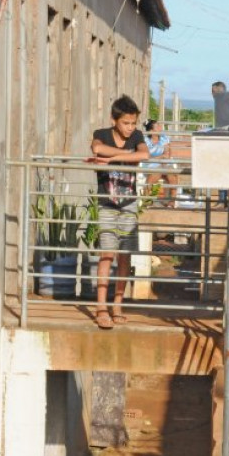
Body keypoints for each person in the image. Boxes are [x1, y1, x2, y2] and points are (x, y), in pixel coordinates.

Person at [89, 95, 149, 329]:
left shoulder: (136, 137)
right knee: (107, 254)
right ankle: (101, 307)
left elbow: (144, 154)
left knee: (125, 255)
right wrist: (126, 157)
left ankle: (117, 305)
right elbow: (97, 148)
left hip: (129, 204)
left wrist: (111, 158)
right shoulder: (101, 133)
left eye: (133, 123)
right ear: (114, 120)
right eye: (126, 123)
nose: (130, 128)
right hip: (107, 203)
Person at [142, 119, 177, 207]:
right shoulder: (145, 140)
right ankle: (146, 200)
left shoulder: (164, 137)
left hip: (165, 163)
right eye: (157, 126)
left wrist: (165, 159)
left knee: (172, 176)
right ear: (151, 130)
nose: (160, 127)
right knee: (156, 173)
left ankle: (172, 202)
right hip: (151, 163)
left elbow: (168, 153)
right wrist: (160, 158)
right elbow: (146, 156)